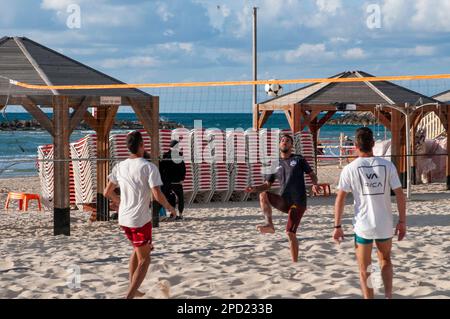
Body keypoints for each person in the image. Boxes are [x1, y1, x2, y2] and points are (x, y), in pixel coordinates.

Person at [333, 127, 406, 299]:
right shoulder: (388, 166)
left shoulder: (350, 168)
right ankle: (388, 295)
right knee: (386, 260)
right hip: (384, 223)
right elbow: (400, 196)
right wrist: (402, 222)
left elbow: (340, 199)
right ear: (373, 144)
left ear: (355, 146)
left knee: (365, 267)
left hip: (363, 225)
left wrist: (337, 225)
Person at [103, 131, 176, 299]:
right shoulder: (149, 167)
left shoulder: (120, 166)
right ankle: (129, 296)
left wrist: (120, 202)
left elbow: (107, 191)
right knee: (146, 259)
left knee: (137, 251)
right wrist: (170, 208)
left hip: (124, 219)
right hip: (140, 219)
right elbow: (157, 194)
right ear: (142, 145)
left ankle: (133, 288)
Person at [245, 134, 320, 263]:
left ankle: (295, 262)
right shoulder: (275, 163)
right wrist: (255, 189)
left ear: (291, 145)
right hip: (284, 201)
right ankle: (269, 224)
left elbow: (312, 174)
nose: (284, 142)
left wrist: (315, 184)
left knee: (290, 233)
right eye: (282, 140)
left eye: (287, 141)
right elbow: (267, 185)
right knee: (263, 194)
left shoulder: (298, 159)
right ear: (279, 145)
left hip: (298, 202)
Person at [159, 140, 186, 220]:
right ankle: (180, 215)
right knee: (180, 198)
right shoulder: (179, 156)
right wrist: (182, 179)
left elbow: (161, 169)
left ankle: (171, 213)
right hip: (177, 181)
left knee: (169, 197)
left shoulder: (165, 156)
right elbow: (183, 169)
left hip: (167, 181)